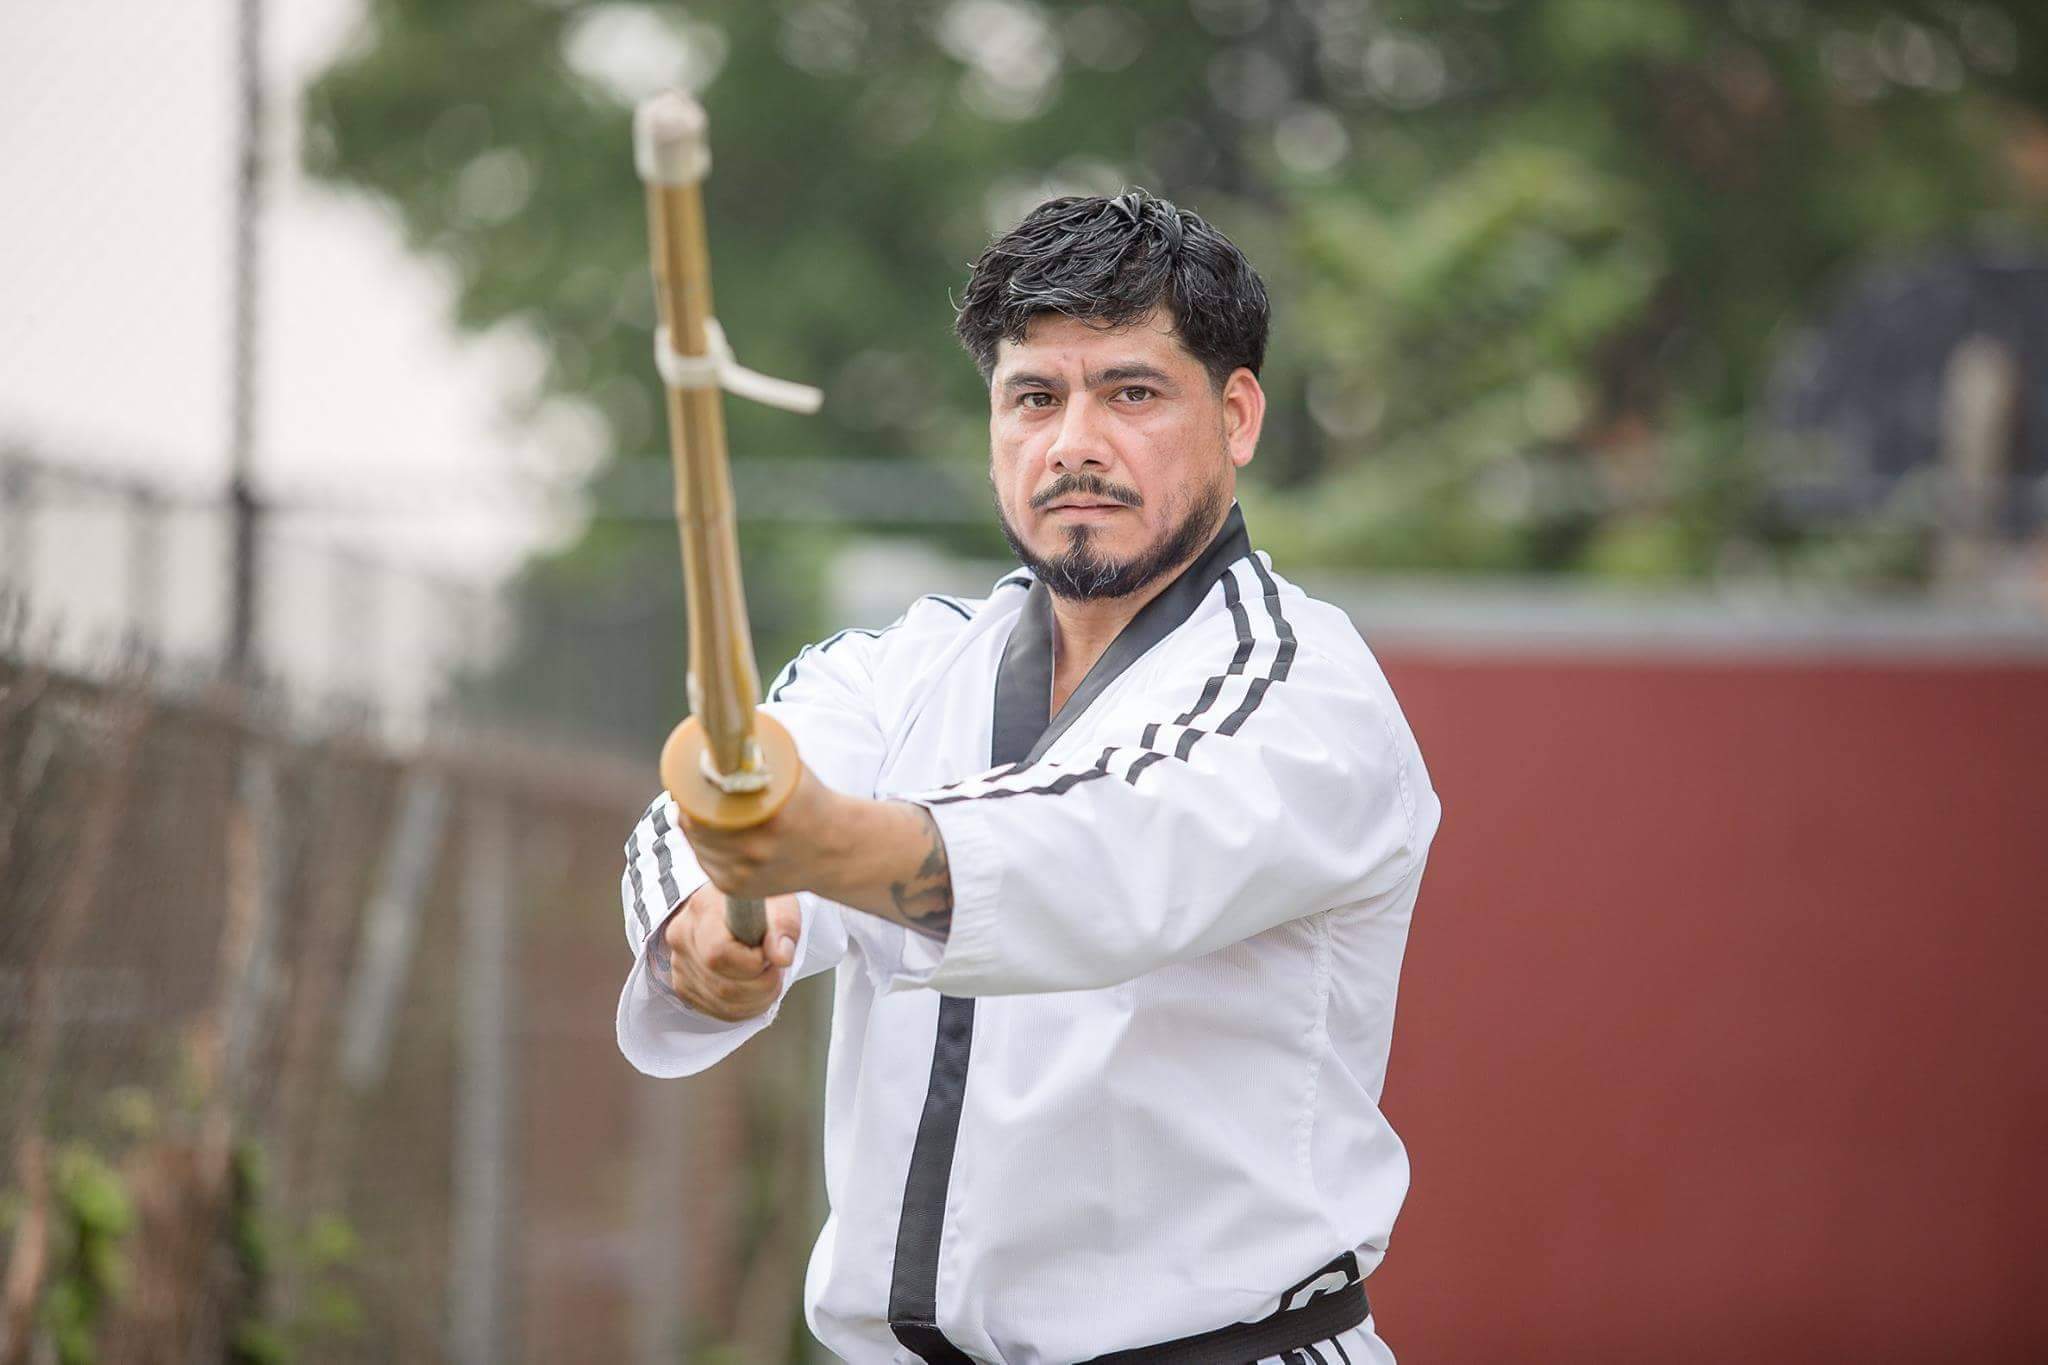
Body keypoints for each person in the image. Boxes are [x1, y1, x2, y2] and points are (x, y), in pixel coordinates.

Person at [617, 189, 1441, 1364]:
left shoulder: (1303, 693)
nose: (1074, 446)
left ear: (1238, 414)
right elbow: (716, 793)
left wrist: (812, 846)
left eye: (1132, 393)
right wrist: (717, 923)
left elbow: (1094, 856)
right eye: (1034, 398)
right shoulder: (903, 664)